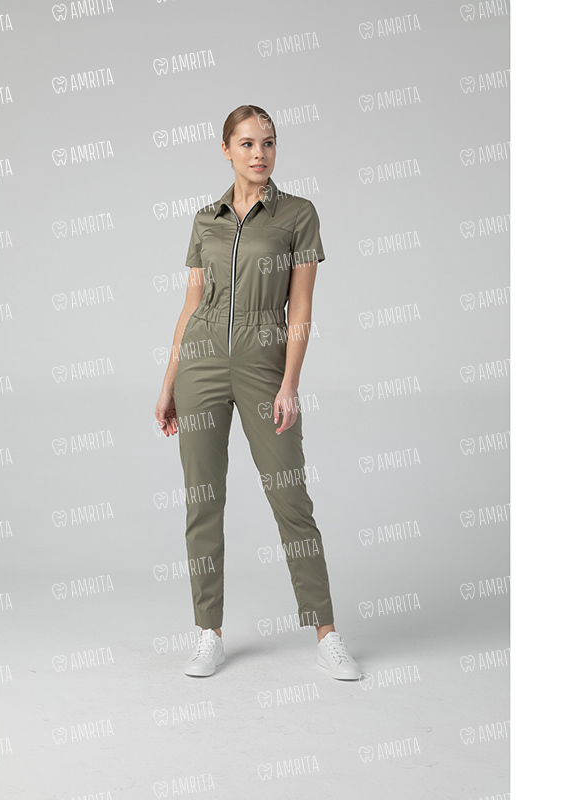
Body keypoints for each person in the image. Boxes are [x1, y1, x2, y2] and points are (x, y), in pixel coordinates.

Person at [155, 105, 362, 681]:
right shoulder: (206, 220)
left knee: (290, 497)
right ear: (226, 149)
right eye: (246, 143)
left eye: (268, 142)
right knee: (203, 499)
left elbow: (302, 306)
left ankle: (326, 633)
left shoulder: (297, 215)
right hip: (200, 364)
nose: (259, 153)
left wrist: (290, 383)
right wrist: (168, 382)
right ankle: (209, 632)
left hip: (264, 363)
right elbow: (191, 306)